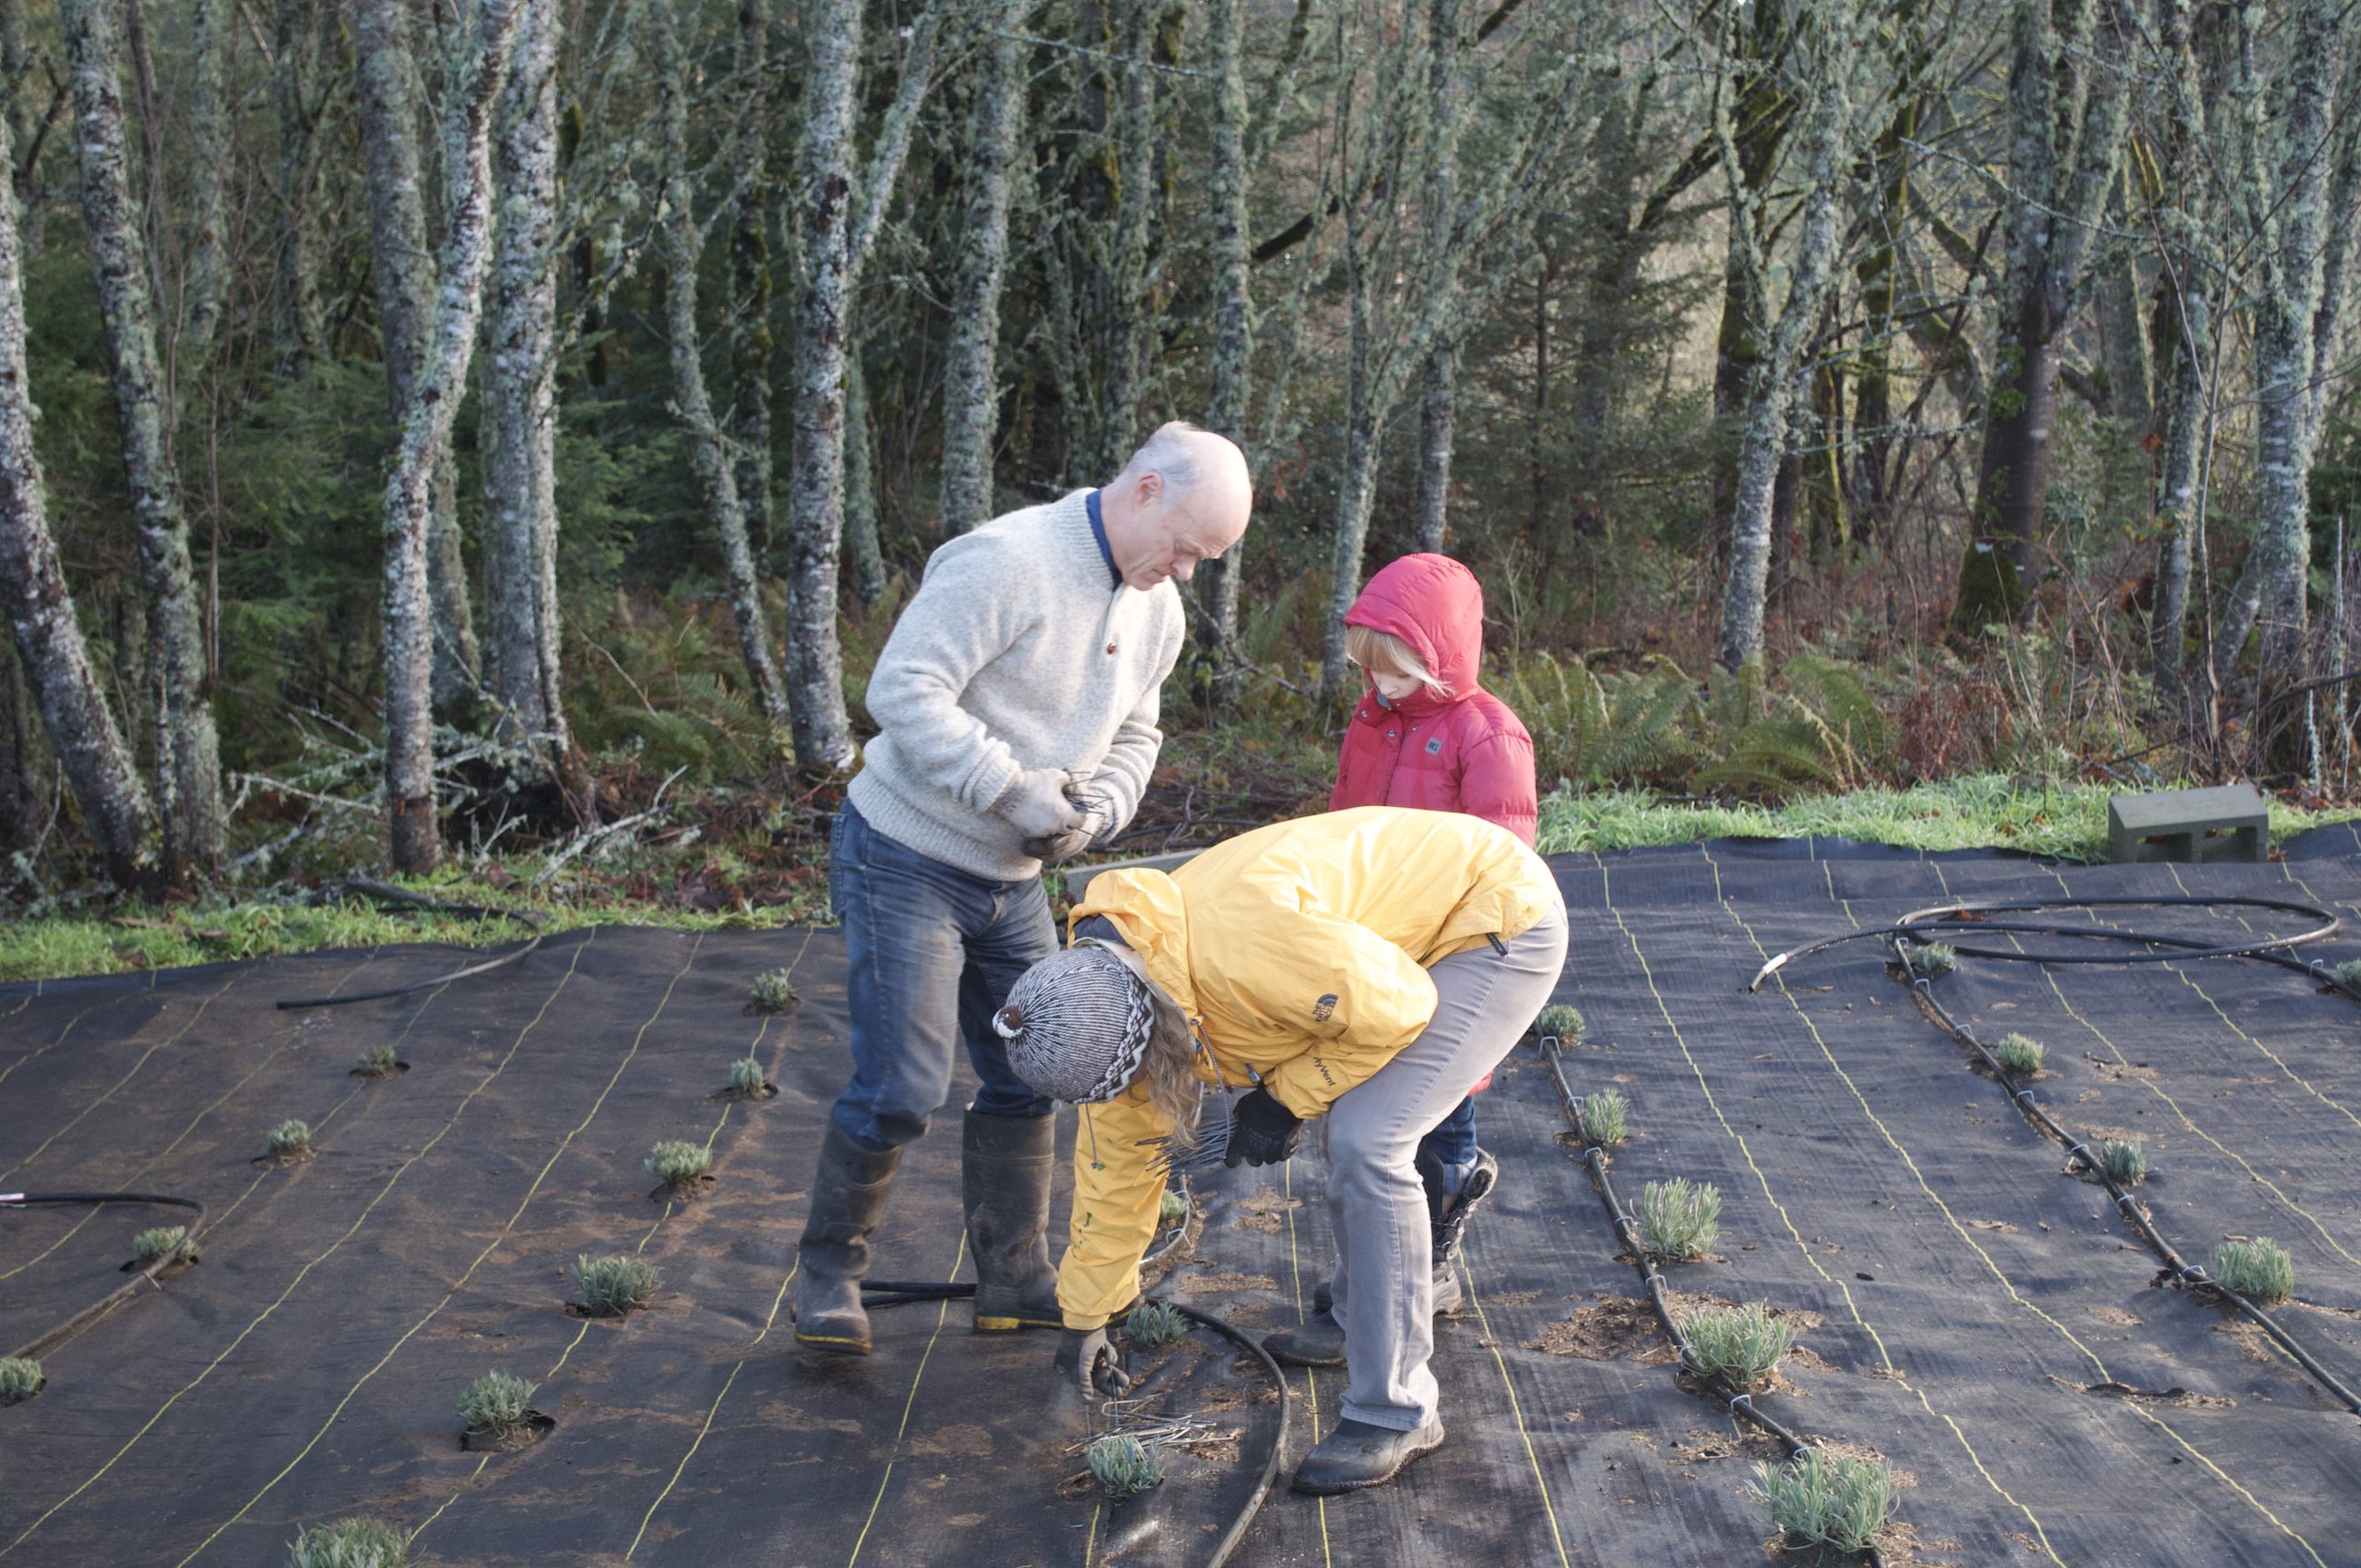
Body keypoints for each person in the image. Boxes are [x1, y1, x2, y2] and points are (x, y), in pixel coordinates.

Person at [791, 422, 1252, 1356]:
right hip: (906, 855)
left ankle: (1011, 1277)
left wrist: (1102, 809)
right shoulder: (1006, 559)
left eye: (1207, 559)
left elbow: (1139, 731)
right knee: (903, 1085)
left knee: (1033, 1070)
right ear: (1147, 491)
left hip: (1012, 879)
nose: (1189, 571)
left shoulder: (1154, 607)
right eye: (1189, 546)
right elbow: (903, 687)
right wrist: (1008, 788)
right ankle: (828, 1275)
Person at [991, 807, 1569, 1493]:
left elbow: (1399, 1006)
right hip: (1381, 948)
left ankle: (1398, 1409)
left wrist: (1286, 1098)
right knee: (1357, 1128)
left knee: (1369, 1141)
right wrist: (1085, 1320)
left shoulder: (1246, 951)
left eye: (1139, 1073)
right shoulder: (1112, 998)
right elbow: (1117, 1169)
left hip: (1490, 919)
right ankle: (1364, 1315)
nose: (1135, 1093)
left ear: (1148, 1027)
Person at [1266, 552, 1540, 1367]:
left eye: (1398, 670)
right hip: (1371, 949)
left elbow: (1504, 862)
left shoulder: (1487, 734)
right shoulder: (1372, 722)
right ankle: (1377, 1271)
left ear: (1444, 654)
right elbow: (1345, 827)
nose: (1381, 685)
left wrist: (1440, 945)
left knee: (1434, 1115)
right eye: (1369, 670)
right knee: (1365, 1106)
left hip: (1450, 956)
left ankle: (1428, 1262)